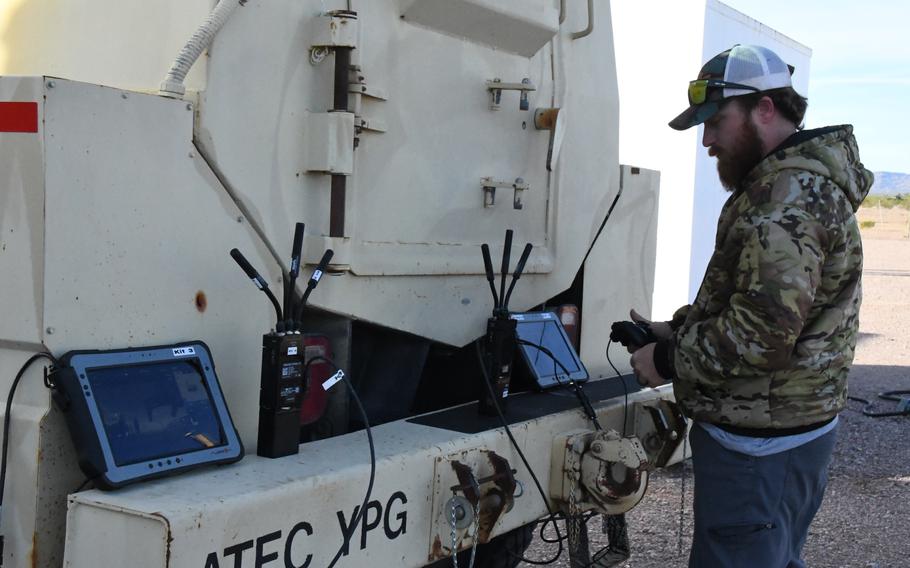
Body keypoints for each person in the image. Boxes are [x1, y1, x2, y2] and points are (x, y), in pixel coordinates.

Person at [624, 45, 873, 567]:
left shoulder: (785, 198)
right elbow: (760, 304)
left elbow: (761, 333)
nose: (708, 139)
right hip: (786, 435)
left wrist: (667, 361)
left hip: (760, 447)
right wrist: (676, 330)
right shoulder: (793, 186)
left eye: (716, 119)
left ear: (764, 107)